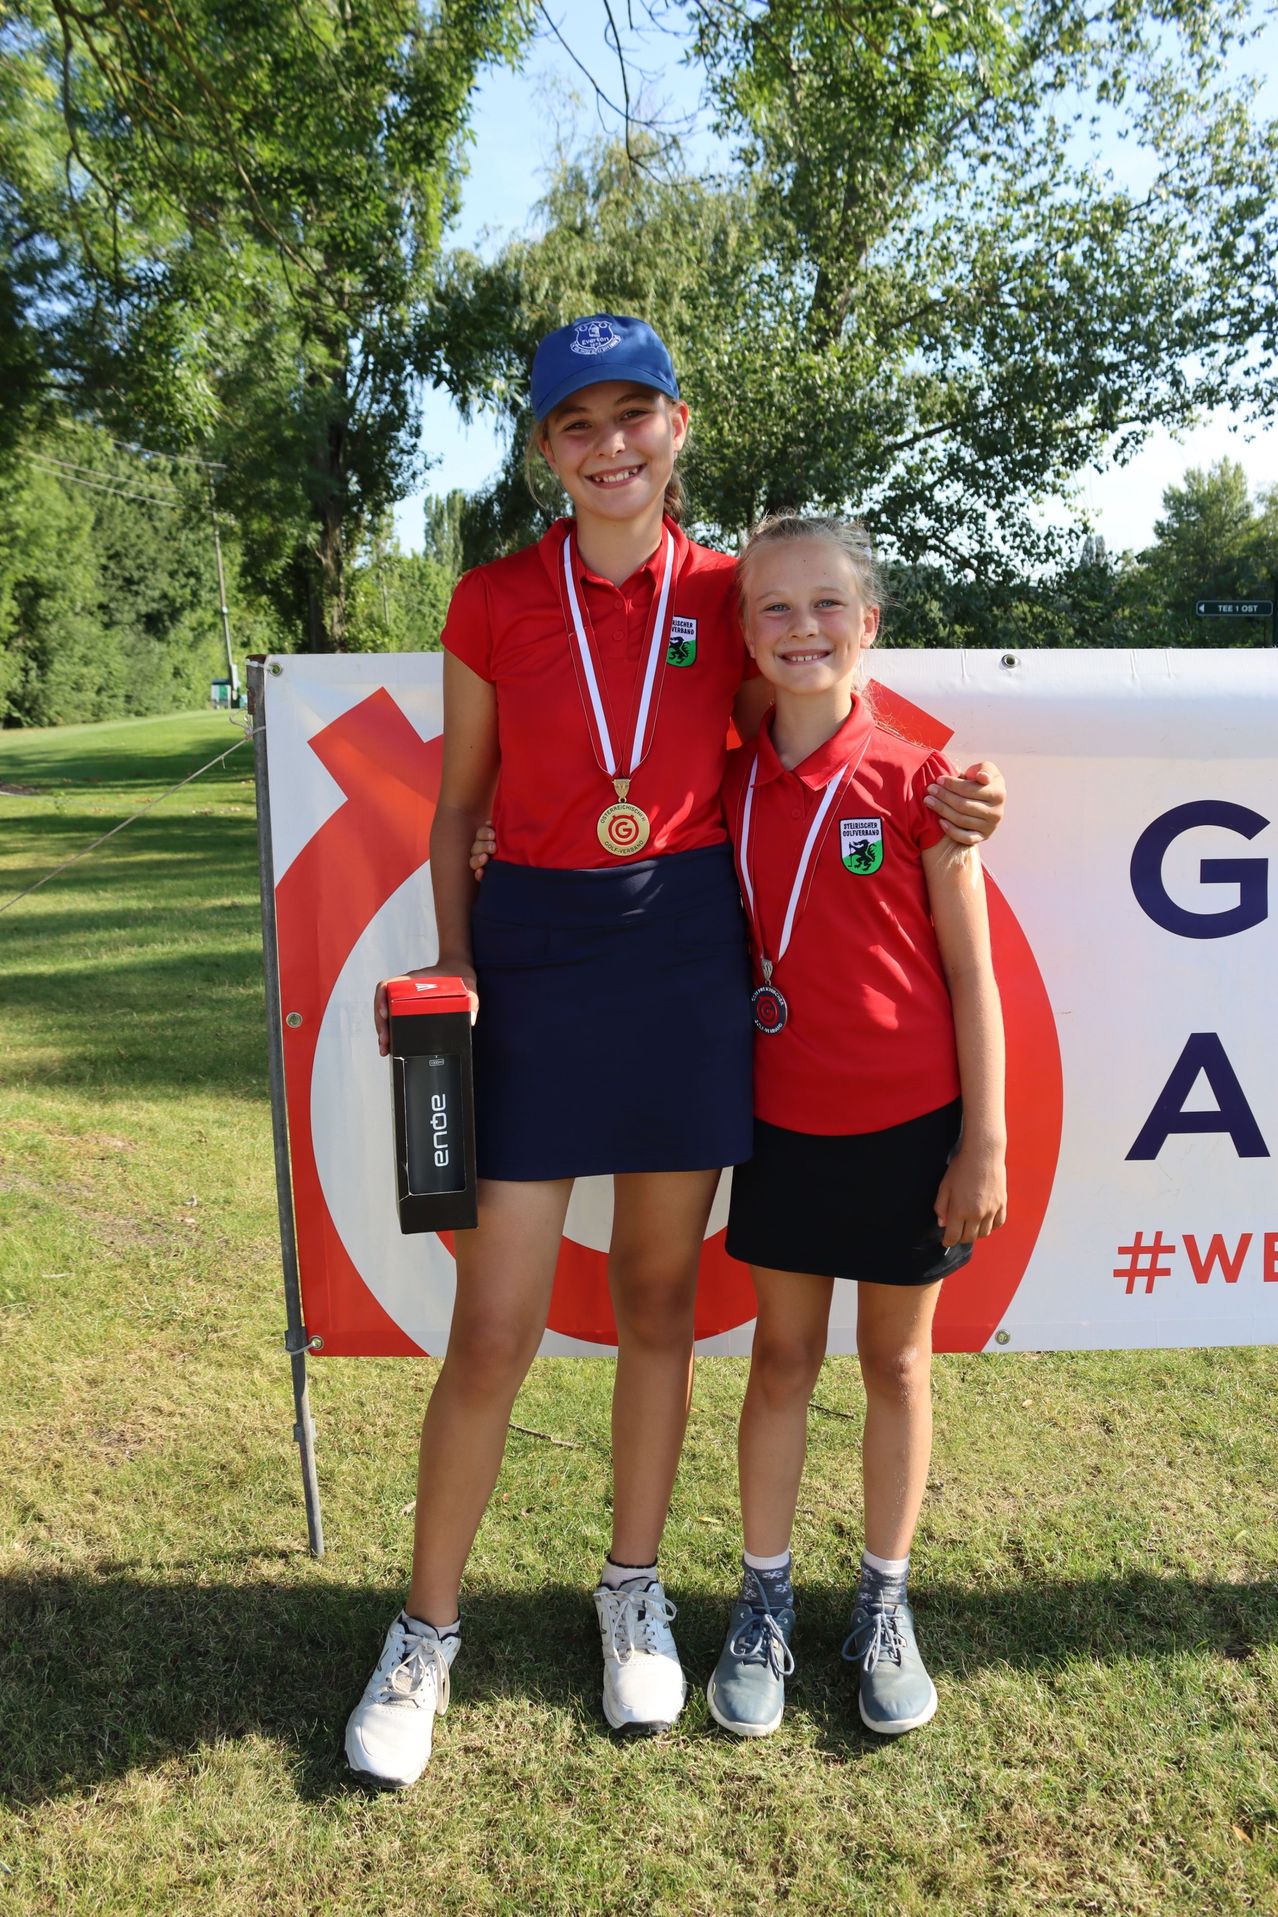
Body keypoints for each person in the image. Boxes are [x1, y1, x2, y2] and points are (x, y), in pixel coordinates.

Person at [344, 315, 1006, 1788]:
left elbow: (841, 701)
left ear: (678, 425)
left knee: (655, 1298)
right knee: (496, 1327)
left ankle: (630, 1590)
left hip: (687, 960)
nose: (608, 446)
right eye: (575, 426)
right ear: (542, 452)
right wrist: (458, 959)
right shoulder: (493, 597)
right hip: (534, 957)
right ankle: (423, 1633)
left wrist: (966, 788)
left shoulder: (732, 587)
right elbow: (455, 808)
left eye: (632, 414)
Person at [703, 513, 1007, 1743]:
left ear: (869, 628)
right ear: (745, 636)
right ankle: (763, 1596)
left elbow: (971, 975)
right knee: (780, 1362)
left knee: (894, 1363)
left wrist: (982, 1141)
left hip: (909, 1128)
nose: (802, 629)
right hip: (779, 1125)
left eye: (828, 606)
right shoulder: (721, 781)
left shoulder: (925, 790)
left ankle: (883, 1598)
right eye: (773, 609)